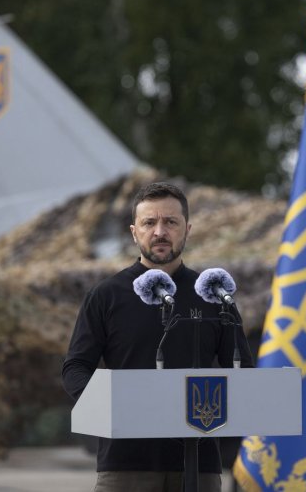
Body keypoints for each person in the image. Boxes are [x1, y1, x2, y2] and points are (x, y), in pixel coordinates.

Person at [62, 182, 255, 492]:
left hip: (199, 464)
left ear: (187, 229)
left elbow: (243, 372)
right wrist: (111, 407)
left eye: (171, 222)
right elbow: (75, 369)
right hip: (125, 463)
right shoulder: (106, 296)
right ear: (134, 231)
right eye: (149, 222)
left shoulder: (214, 295)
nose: (160, 231)